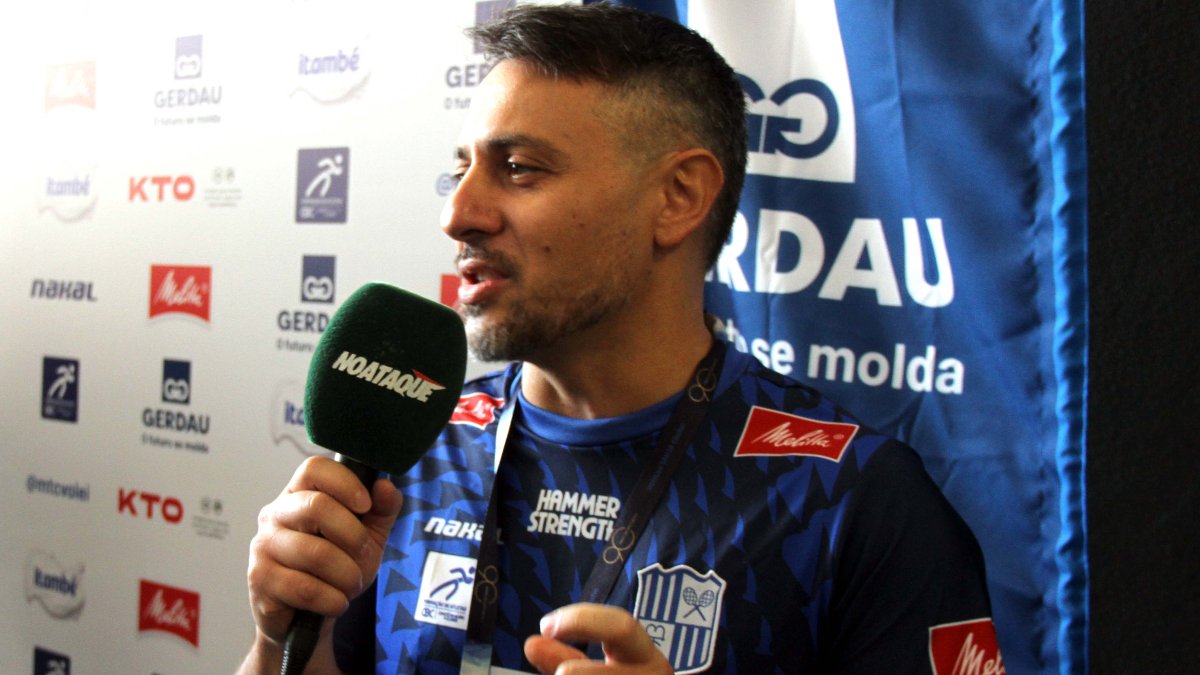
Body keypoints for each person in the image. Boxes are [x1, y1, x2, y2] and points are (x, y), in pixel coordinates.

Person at [239, 4, 1001, 674]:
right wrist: (283, 637)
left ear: (678, 198)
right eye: (462, 168)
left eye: (519, 168)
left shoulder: (853, 499)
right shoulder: (415, 450)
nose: (459, 212)